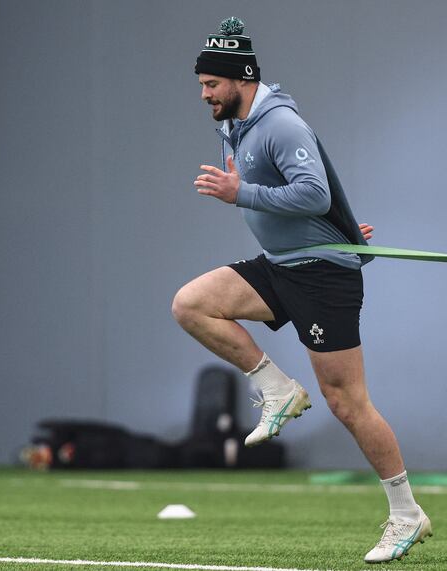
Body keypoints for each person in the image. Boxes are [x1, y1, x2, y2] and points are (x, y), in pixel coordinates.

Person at [172, 17, 432, 564]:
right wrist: (339, 224)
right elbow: (319, 197)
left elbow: (312, 194)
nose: (204, 95)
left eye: (210, 85)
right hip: (282, 264)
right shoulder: (234, 124)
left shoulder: (280, 124)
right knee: (192, 305)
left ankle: (406, 513)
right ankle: (277, 389)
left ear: (240, 79)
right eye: (201, 85)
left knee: (347, 402)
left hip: (321, 275)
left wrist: (242, 195)